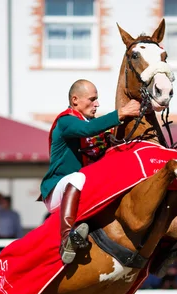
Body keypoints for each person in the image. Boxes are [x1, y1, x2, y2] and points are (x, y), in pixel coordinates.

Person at [39, 79, 141, 264]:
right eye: (92, 99)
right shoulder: (66, 121)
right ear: (75, 100)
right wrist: (122, 112)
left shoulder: (94, 125)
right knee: (77, 177)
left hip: (83, 193)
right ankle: (66, 239)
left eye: (97, 99)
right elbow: (87, 129)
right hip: (57, 192)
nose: (97, 104)